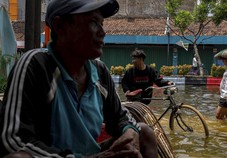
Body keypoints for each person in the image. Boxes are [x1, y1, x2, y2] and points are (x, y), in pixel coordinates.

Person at [0, 0, 158, 157]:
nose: (102, 32)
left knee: (144, 132)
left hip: (92, 154)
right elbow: (13, 139)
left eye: (102, 23)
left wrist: (130, 131)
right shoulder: (36, 65)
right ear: (60, 26)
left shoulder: (100, 71)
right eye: (94, 22)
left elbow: (120, 117)